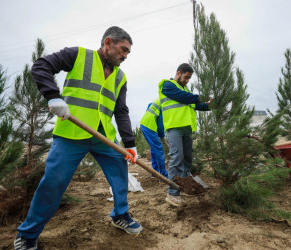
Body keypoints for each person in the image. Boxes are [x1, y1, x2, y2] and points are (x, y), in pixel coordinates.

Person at [14, 26, 142, 250]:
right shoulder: (78, 55)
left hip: (103, 136)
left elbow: (121, 111)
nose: (125, 56)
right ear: (108, 43)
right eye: (123, 50)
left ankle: (120, 215)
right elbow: (41, 66)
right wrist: (53, 96)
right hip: (71, 134)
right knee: (53, 184)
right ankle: (27, 235)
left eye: (128, 53)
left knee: (120, 175)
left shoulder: (120, 77)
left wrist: (130, 145)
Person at [158, 63, 211, 207]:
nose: (187, 80)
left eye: (189, 78)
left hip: (187, 129)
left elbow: (196, 104)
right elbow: (184, 97)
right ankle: (172, 193)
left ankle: (186, 184)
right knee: (177, 157)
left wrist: (209, 105)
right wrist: (200, 96)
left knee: (187, 157)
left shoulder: (185, 90)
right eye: (186, 77)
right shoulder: (167, 85)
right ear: (179, 73)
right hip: (174, 128)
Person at [140, 98, 168, 178]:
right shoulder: (165, 105)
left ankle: (155, 172)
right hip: (150, 127)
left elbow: (149, 105)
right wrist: (162, 136)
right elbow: (160, 125)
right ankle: (163, 175)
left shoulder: (159, 100)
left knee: (154, 148)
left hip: (144, 124)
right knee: (158, 149)